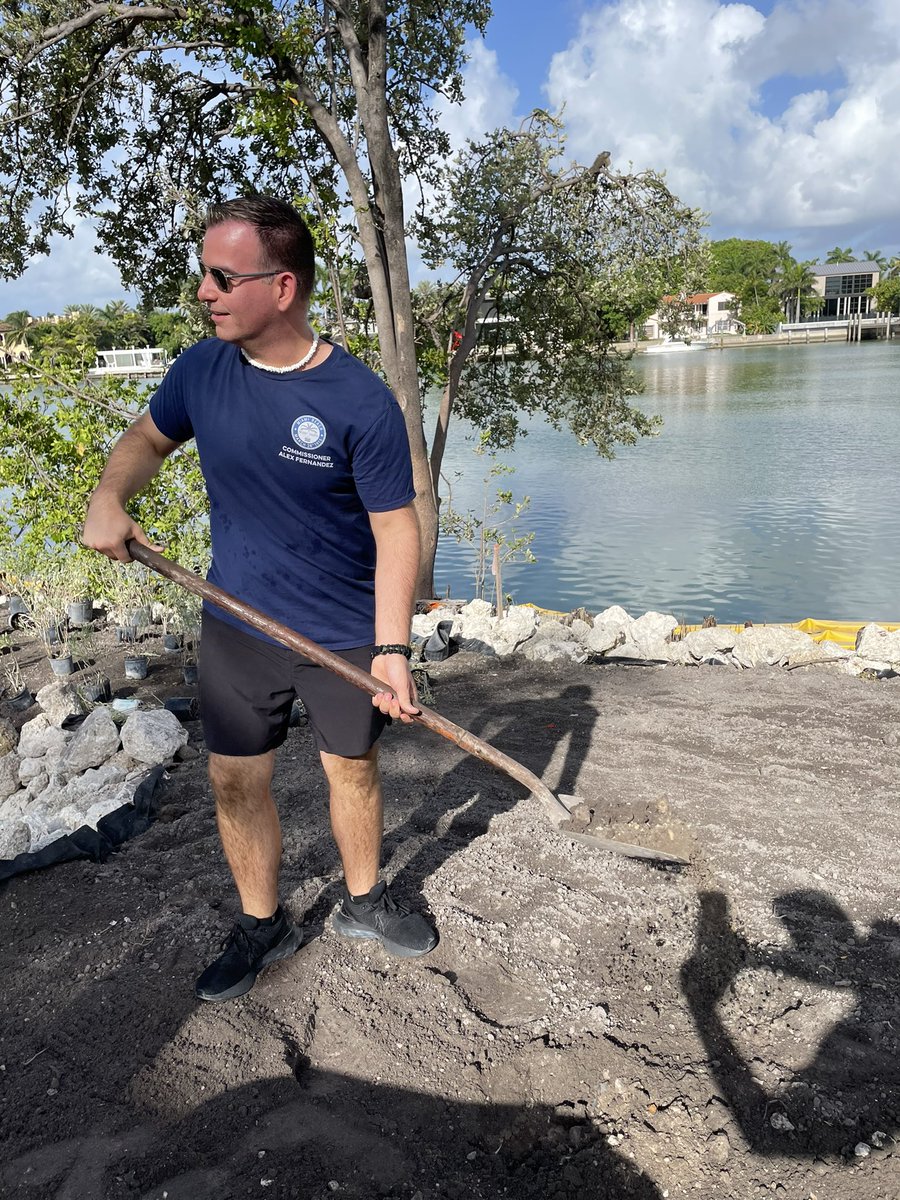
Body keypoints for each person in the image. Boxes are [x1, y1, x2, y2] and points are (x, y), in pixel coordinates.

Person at [83, 196, 438, 1002]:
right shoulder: (201, 370)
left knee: (351, 769)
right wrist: (110, 496)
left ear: (282, 288)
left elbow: (397, 530)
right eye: (203, 273)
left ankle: (363, 901)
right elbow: (144, 440)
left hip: (344, 629)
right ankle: (262, 925)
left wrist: (391, 649)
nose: (204, 291)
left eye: (221, 276)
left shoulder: (357, 401)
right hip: (238, 622)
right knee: (235, 781)